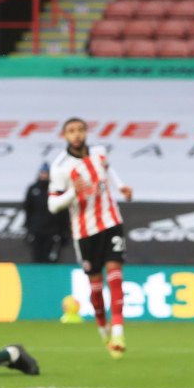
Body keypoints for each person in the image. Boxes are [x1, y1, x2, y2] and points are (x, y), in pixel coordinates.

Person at [47, 117, 133, 360]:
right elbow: (53, 205)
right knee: (96, 288)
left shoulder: (99, 152)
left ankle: (118, 333)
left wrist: (121, 186)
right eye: (71, 131)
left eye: (80, 130)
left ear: (86, 132)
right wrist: (75, 192)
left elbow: (108, 169)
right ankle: (103, 330)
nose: (76, 135)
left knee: (115, 277)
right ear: (64, 136)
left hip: (111, 222)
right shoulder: (60, 167)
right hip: (84, 232)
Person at [24, 162, 71, 263]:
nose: (44, 175)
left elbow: (64, 212)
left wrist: (64, 232)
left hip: (53, 232)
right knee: (37, 259)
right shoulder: (33, 189)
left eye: (46, 173)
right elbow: (28, 210)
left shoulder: (57, 189)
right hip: (37, 231)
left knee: (52, 259)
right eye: (42, 173)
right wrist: (29, 230)